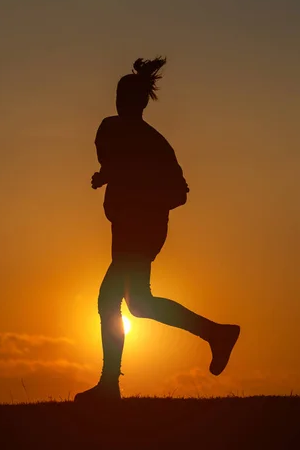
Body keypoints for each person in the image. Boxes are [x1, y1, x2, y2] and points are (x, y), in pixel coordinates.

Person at [74, 57, 240, 403]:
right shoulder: (116, 131)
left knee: (109, 299)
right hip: (129, 230)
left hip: (141, 231)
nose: (121, 102)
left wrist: (140, 198)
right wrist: (110, 177)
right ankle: (217, 334)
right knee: (139, 305)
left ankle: (108, 386)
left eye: (125, 97)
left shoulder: (150, 141)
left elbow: (178, 192)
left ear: (135, 102)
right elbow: (116, 163)